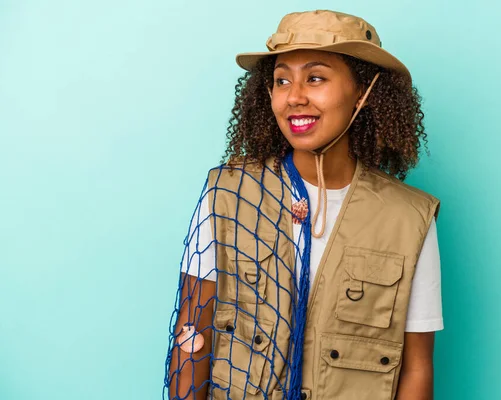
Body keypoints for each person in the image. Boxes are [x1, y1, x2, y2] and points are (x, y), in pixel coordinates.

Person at [164, 9, 442, 400]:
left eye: (315, 78)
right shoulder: (228, 192)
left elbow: (416, 369)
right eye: (282, 80)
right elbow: (191, 338)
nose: (295, 97)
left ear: (363, 92)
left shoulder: (409, 217)